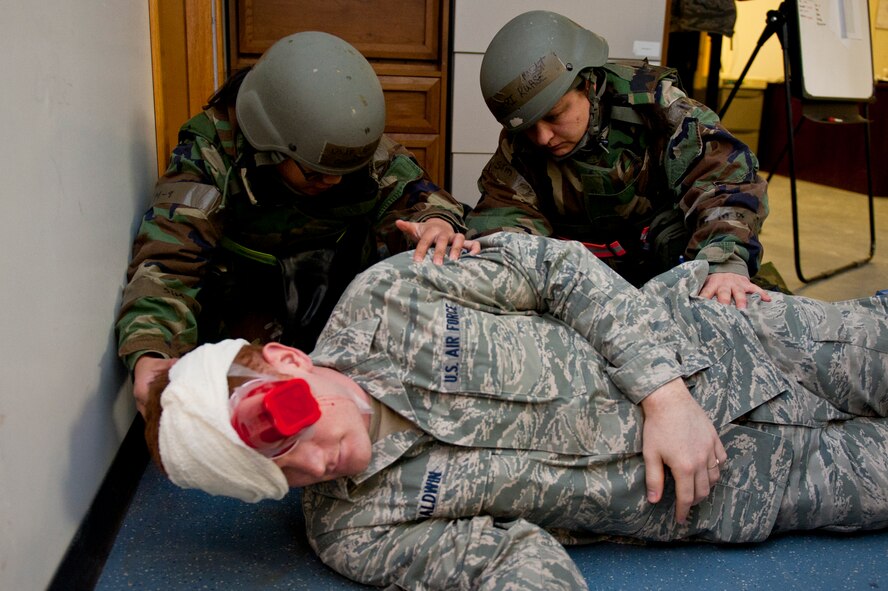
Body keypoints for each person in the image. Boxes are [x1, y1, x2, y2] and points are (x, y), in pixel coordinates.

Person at [145, 232, 888, 590]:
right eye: (286, 475)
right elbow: (508, 562)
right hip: (744, 484)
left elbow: (556, 269)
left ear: (287, 362)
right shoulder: (353, 528)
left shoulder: (389, 297)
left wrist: (665, 394)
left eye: (291, 430)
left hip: (738, 344)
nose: (315, 462)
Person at [117, 31, 477, 413]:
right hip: (248, 305)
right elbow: (169, 264)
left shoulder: (342, 145)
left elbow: (417, 193)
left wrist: (435, 221)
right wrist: (151, 353)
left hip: (340, 294)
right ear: (270, 142)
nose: (333, 181)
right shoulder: (211, 155)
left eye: (343, 172)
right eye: (315, 173)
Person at [467, 10, 771, 308]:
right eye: (532, 126)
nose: (543, 137)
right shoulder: (522, 141)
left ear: (587, 84)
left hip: (663, 272)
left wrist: (723, 261)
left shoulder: (658, 108)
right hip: (575, 285)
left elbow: (724, 181)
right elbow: (503, 210)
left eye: (554, 116)